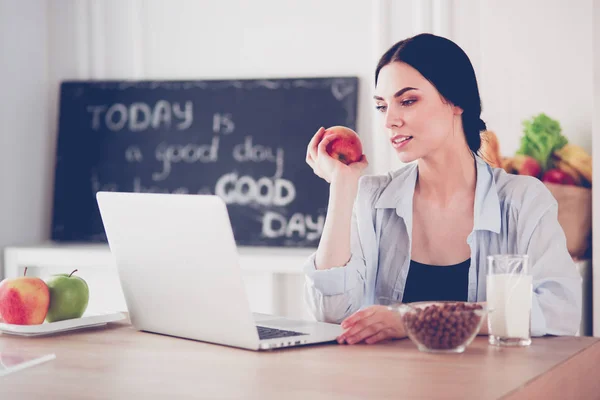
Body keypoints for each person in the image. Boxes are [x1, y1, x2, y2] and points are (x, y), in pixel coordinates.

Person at [303, 33, 582, 345]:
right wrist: (342, 187)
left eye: (407, 101)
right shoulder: (372, 198)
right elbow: (332, 312)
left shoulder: (523, 200)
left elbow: (560, 310)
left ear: (457, 101)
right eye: (382, 106)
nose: (390, 121)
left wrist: (413, 319)